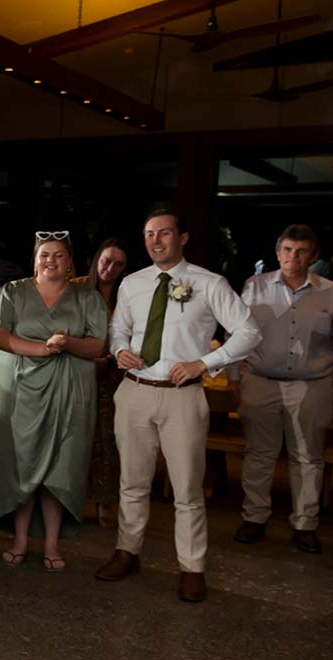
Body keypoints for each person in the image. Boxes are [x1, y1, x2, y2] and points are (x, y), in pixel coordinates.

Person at [96, 209, 261, 603]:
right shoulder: (133, 283)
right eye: (149, 234)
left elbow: (249, 332)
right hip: (134, 391)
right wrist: (119, 349)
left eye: (164, 233)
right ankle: (127, 551)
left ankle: (191, 567)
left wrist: (206, 363)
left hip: (181, 396)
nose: (156, 241)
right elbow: (118, 328)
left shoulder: (208, 283)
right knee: (131, 482)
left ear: (183, 238)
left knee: (187, 488)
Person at [229, 224, 333, 554]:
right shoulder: (254, 287)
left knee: (308, 457)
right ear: (277, 251)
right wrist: (233, 378)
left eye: (300, 251)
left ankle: (305, 524)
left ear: (314, 256)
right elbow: (237, 335)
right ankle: (254, 518)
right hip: (259, 381)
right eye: (286, 250)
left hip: (311, 385)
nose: (292, 257)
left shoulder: (330, 292)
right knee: (258, 454)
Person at [0, 232, 107, 570]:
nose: (50, 260)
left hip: (69, 391)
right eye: (44, 255)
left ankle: (53, 543)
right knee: (22, 463)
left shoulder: (87, 298)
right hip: (20, 391)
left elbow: (97, 346)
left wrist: (68, 343)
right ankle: (21, 539)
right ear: (34, 259)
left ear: (70, 262)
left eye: (58, 255)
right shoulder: (12, 291)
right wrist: (44, 348)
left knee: (60, 464)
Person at [73, 238, 130, 528]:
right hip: (77, 371)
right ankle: (70, 501)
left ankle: (106, 502)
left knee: (108, 440)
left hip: (113, 375)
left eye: (118, 263)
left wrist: (109, 360)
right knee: (74, 437)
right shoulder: (77, 287)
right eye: (106, 260)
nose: (110, 268)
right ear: (97, 259)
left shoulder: (126, 294)